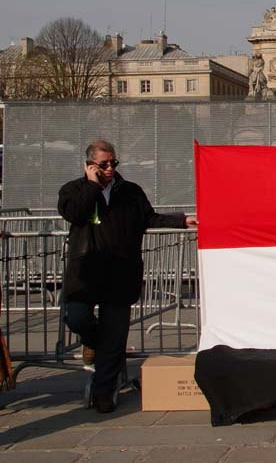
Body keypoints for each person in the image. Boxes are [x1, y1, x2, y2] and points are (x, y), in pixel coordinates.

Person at [57, 140, 197, 412]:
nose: (109, 169)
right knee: (76, 317)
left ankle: (104, 392)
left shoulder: (130, 192)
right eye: (103, 165)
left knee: (116, 331)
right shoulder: (74, 190)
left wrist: (181, 220)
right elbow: (75, 214)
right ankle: (95, 343)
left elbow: (149, 219)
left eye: (113, 163)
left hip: (121, 272)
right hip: (85, 272)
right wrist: (92, 185)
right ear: (89, 166)